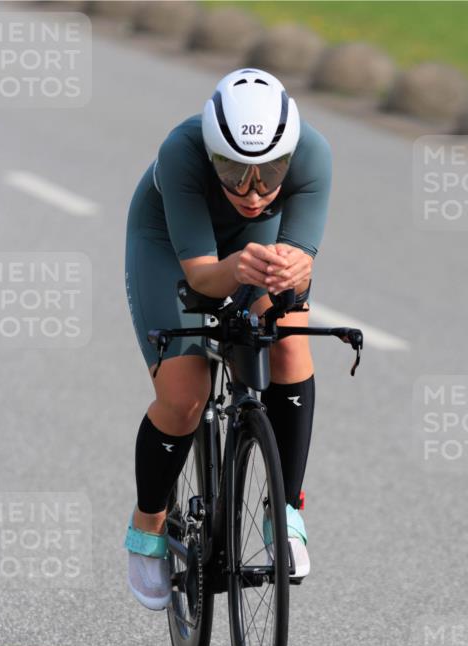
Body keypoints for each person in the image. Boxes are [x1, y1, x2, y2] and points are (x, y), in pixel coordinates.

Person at [124, 68, 332, 610]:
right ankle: (146, 526)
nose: (252, 190)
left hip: (252, 252)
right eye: (233, 170)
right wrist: (239, 268)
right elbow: (200, 278)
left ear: (291, 155)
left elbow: (303, 265)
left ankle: (282, 510)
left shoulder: (315, 155)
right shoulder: (182, 151)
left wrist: (293, 271)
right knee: (185, 394)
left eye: (269, 173)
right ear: (211, 154)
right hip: (170, 248)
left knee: (288, 341)